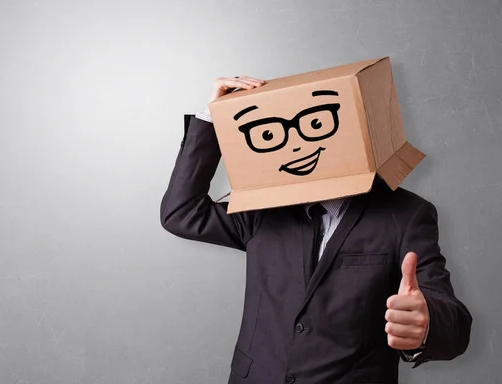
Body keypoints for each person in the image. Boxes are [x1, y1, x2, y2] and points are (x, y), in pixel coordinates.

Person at [160, 76, 472, 384]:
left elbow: (450, 319)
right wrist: (213, 119)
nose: (299, 145)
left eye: (317, 125)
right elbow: (182, 213)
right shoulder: (264, 208)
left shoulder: (406, 214)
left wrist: (428, 323)